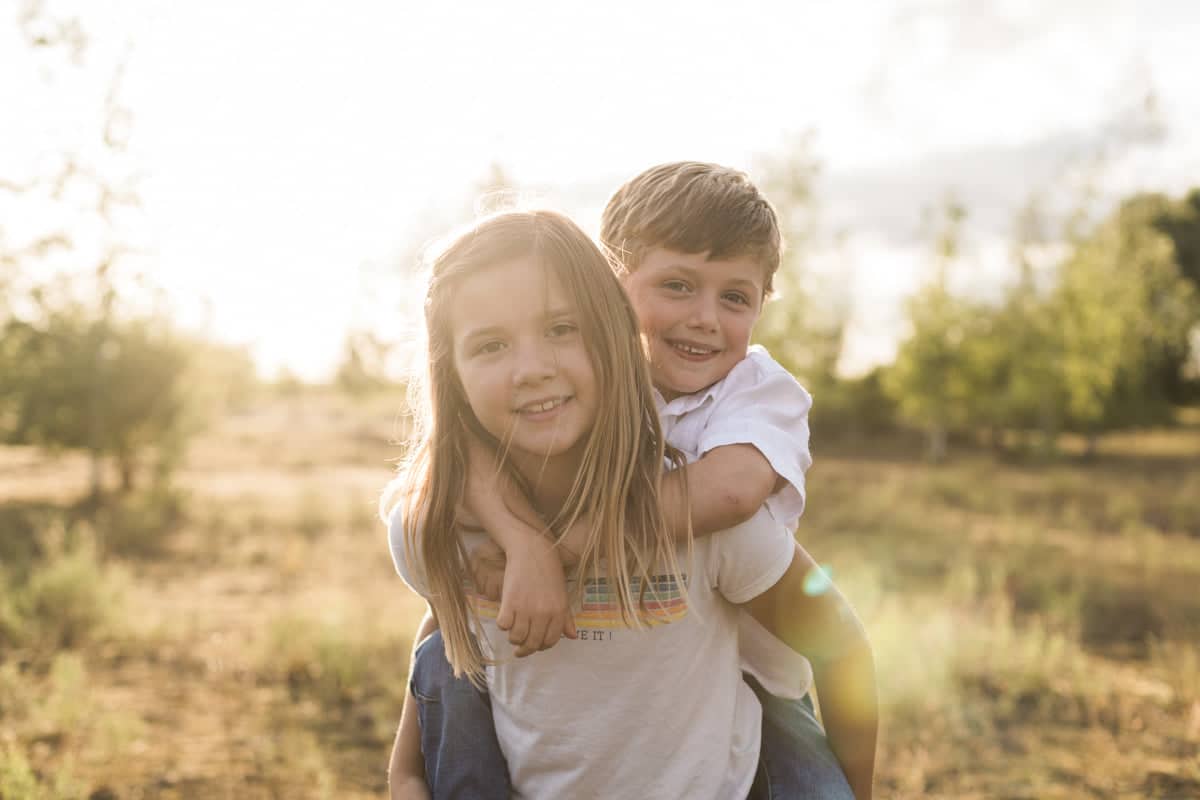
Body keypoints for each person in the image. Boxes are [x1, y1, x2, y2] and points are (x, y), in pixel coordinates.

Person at [383, 209, 876, 799]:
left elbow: (840, 645)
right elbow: (434, 692)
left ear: (617, 336)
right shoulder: (432, 535)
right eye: (490, 345)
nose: (533, 369)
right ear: (451, 373)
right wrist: (521, 541)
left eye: (562, 328)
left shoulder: (703, 523)